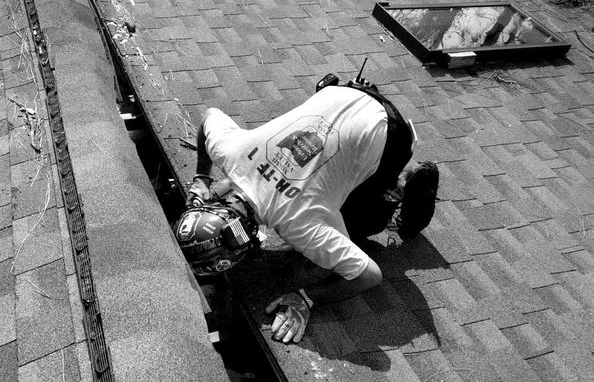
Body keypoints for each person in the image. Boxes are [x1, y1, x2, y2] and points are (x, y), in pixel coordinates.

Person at [173, 69, 439, 345]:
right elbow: (209, 117)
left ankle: (407, 181)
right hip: (342, 95)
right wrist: (202, 178)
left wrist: (307, 298)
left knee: (365, 224)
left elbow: (369, 275)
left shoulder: (298, 223)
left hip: (389, 136)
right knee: (331, 187)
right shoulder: (231, 151)